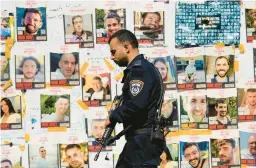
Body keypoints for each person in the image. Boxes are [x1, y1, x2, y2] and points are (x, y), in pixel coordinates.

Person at [105, 29, 165, 167]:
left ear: (127, 47)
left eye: (113, 52)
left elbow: (136, 106)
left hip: (142, 144)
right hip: (140, 142)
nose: (111, 57)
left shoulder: (139, 70)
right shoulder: (142, 68)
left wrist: (113, 115)